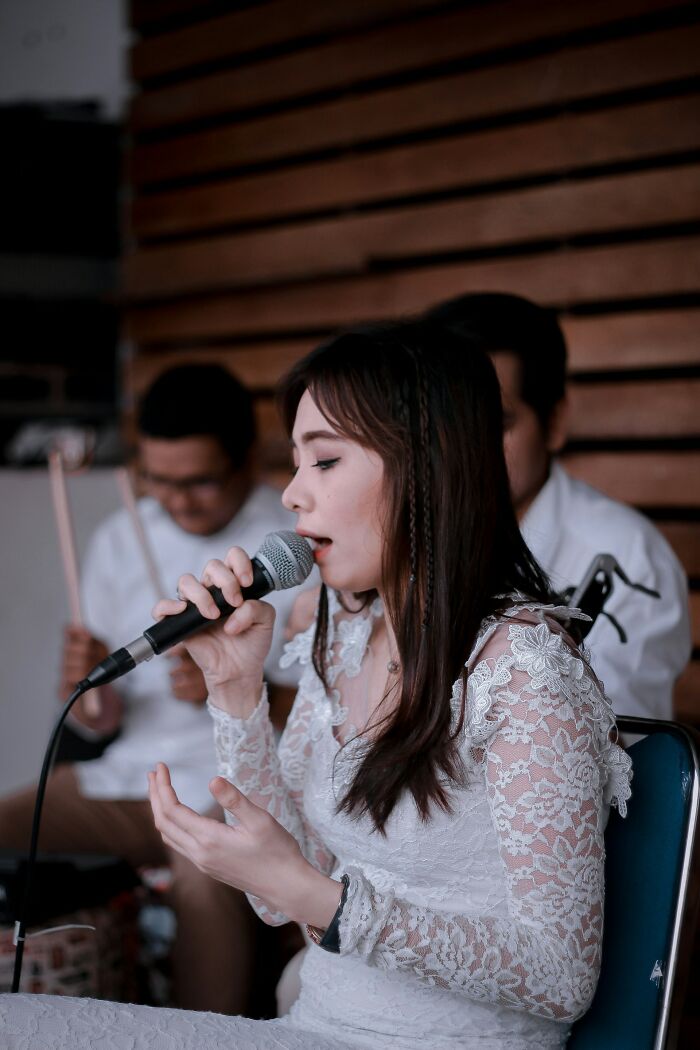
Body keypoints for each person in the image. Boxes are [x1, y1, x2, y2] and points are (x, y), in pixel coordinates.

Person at [1, 321, 632, 1049]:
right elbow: (284, 902)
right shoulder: (343, 633)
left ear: (428, 467)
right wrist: (234, 691)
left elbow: (559, 976)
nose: (294, 494)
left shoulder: (526, 671)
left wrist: (319, 899)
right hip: (314, 1029)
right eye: (296, 462)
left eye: (325, 461)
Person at [0, 364, 305, 1016]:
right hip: (131, 779)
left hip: (240, 789)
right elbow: (99, 721)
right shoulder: (119, 537)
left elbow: (338, 710)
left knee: (204, 876)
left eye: (199, 481)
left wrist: (240, 683)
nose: (177, 501)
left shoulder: (292, 542)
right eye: (159, 480)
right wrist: (92, 698)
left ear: (247, 460)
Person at [426, 292, 691, 720]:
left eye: (494, 424)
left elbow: (614, 743)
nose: (463, 450)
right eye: (442, 426)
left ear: (554, 423)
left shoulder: (630, 557)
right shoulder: (397, 534)